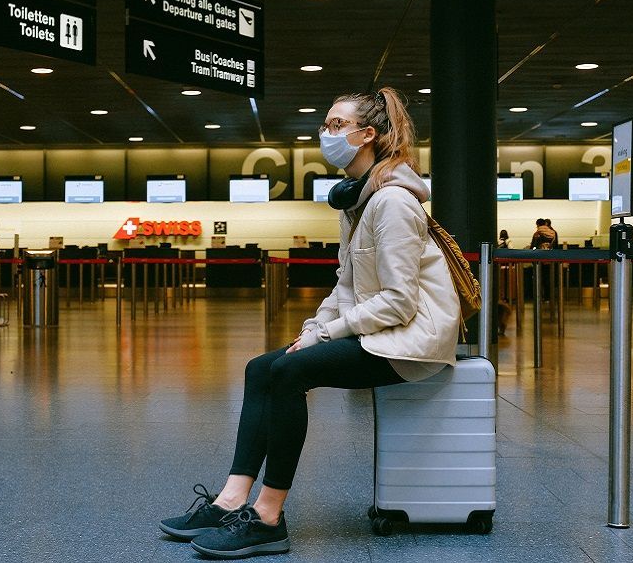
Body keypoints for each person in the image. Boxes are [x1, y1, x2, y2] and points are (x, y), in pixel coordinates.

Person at [159, 88, 461, 559]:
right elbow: (347, 283)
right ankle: (230, 499)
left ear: (368, 136)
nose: (326, 133)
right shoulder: (358, 202)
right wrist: (313, 328)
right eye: (326, 124)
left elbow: (400, 302)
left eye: (337, 125)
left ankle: (267, 517)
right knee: (262, 368)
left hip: (410, 343)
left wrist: (328, 334)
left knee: (289, 372)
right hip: (378, 331)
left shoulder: (394, 203)